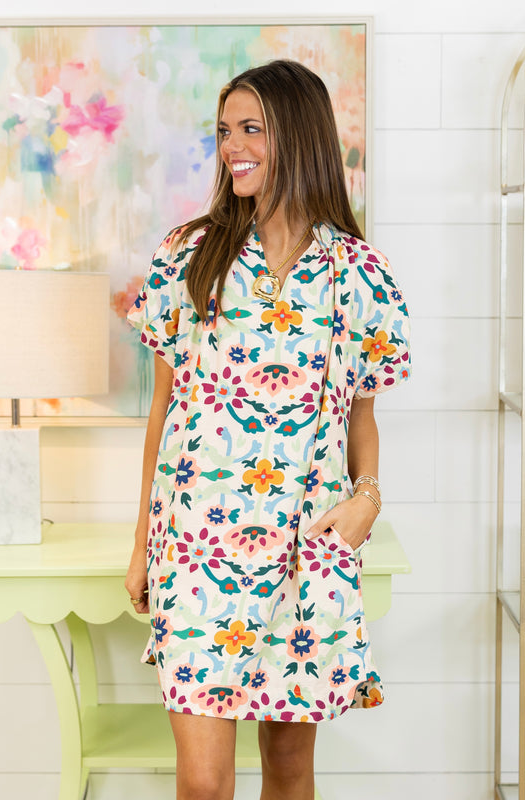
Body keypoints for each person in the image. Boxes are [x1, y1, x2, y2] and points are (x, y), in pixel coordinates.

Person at [125, 59, 411, 800]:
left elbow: (362, 418)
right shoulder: (189, 256)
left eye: (251, 129)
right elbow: (163, 411)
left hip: (304, 551)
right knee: (203, 782)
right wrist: (142, 544)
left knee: (287, 769)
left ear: (299, 135)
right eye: (225, 131)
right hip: (197, 550)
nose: (232, 147)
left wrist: (367, 499)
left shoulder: (359, 274)